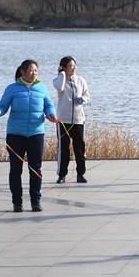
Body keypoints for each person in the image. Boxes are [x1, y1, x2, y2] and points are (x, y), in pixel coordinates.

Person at [0, 60, 58, 212]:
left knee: (35, 169)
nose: (34, 73)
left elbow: (49, 105)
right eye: (31, 70)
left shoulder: (42, 88)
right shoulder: (12, 89)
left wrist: (51, 114)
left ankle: (35, 201)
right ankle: (17, 202)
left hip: (36, 134)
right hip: (15, 134)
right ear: (23, 71)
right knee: (15, 169)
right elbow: (2, 106)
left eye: (36, 70)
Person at [52, 56, 90, 184]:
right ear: (63, 67)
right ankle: (61, 175)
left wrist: (82, 100)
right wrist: (62, 74)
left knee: (80, 148)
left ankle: (81, 174)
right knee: (63, 148)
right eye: (70, 66)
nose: (73, 68)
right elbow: (60, 88)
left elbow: (87, 95)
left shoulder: (81, 80)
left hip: (79, 119)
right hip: (63, 120)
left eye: (74, 66)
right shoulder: (58, 80)